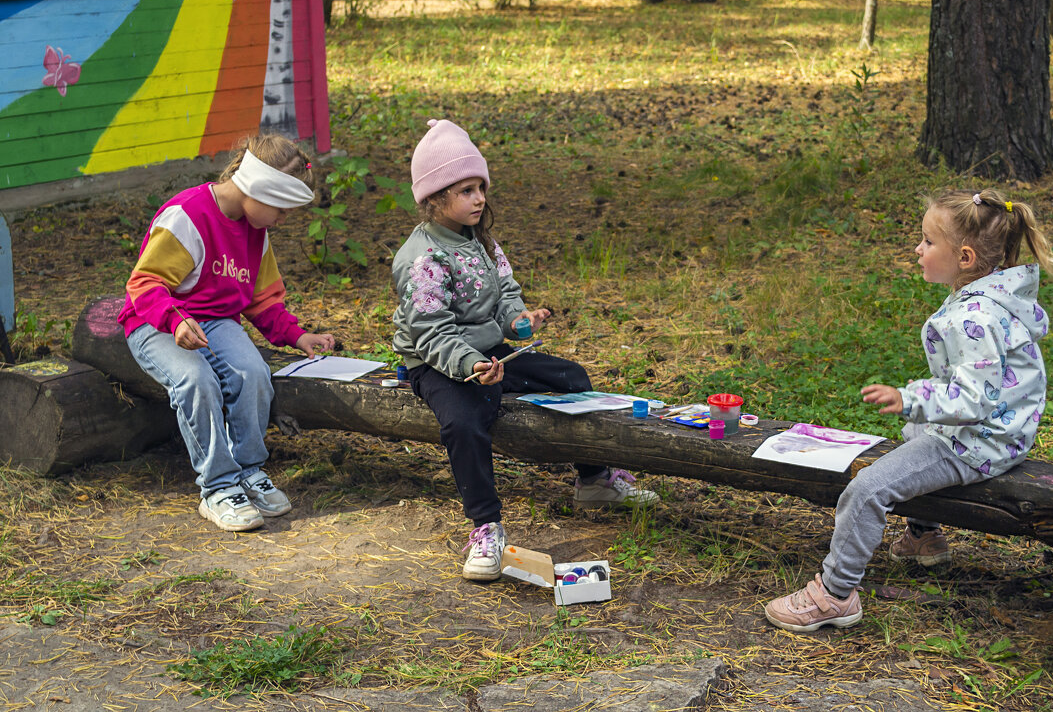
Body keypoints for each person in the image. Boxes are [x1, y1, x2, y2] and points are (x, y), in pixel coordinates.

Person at [765, 188, 1053, 632]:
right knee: (916, 431)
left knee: (868, 489)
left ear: (966, 257)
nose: (918, 249)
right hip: (1005, 432)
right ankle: (923, 537)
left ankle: (834, 594)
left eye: (928, 242)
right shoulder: (992, 295)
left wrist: (909, 397)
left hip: (979, 442)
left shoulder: (976, 317)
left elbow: (973, 400)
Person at [391, 119, 659, 581]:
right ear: (434, 198)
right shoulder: (423, 259)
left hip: (488, 353)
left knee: (571, 379)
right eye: (466, 190)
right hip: (437, 360)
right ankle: (485, 526)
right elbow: (430, 332)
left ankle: (593, 479)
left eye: (481, 188)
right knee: (464, 421)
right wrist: (471, 366)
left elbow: (505, 292)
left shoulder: (481, 240)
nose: (479, 199)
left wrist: (518, 321)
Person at [119, 134, 335, 532]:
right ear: (259, 189)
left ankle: (248, 471)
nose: (283, 220)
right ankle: (217, 487)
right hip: (156, 321)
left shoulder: (256, 229)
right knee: (196, 379)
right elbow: (145, 284)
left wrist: (296, 335)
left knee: (253, 374)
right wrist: (175, 321)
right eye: (282, 210)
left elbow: (262, 298)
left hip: (216, 322)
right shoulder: (187, 215)